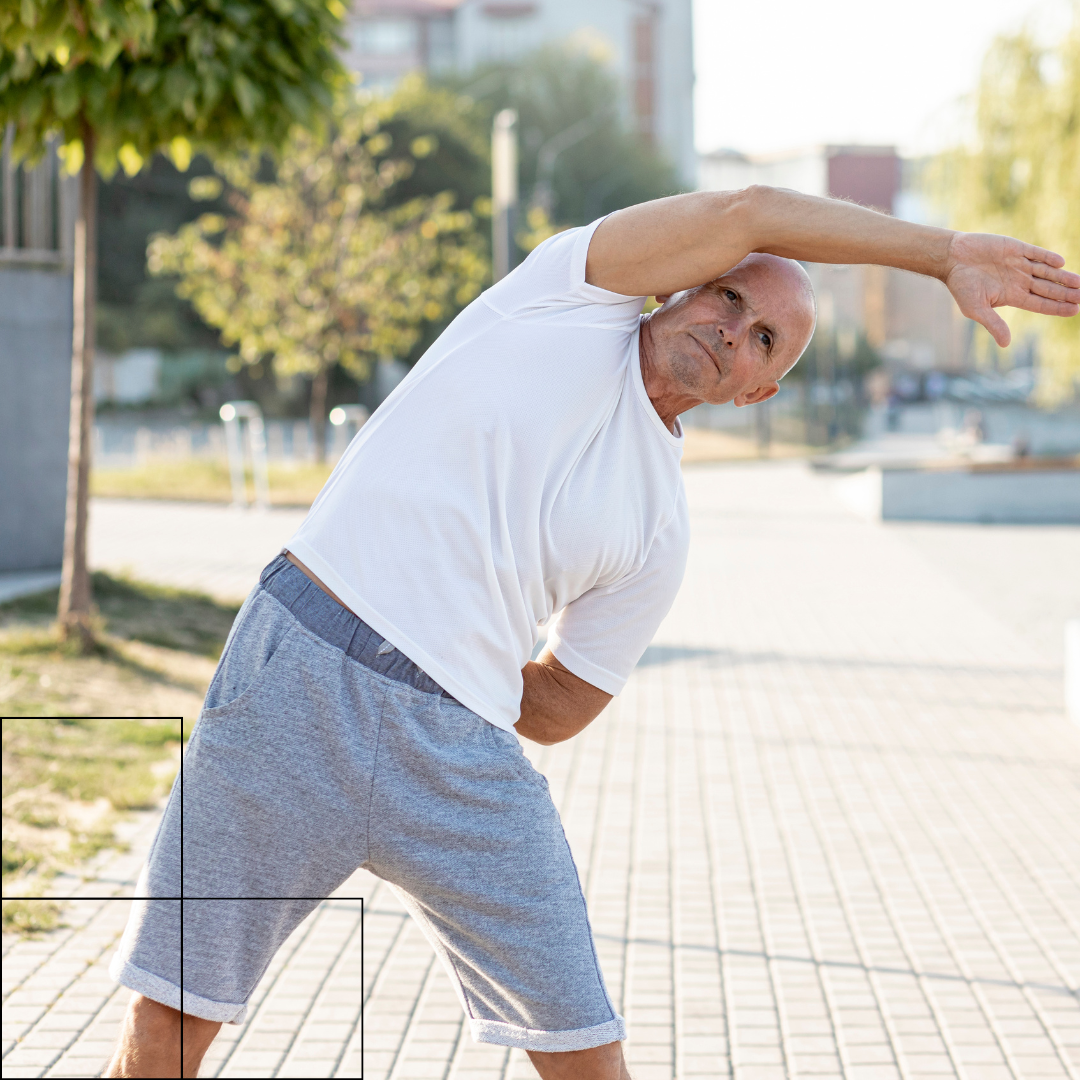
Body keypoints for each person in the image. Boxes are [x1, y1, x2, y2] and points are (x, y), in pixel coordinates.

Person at [105, 186, 1079, 1080]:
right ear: (681, 287)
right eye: (729, 300)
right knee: (171, 1023)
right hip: (297, 677)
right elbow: (749, 209)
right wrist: (943, 252)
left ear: (757, 392)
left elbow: (567, 701)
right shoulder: (566, 293)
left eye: (765, 340)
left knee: (582, 1049)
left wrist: (463, 670)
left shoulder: (660, 528)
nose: (733, 331)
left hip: (461, 755)